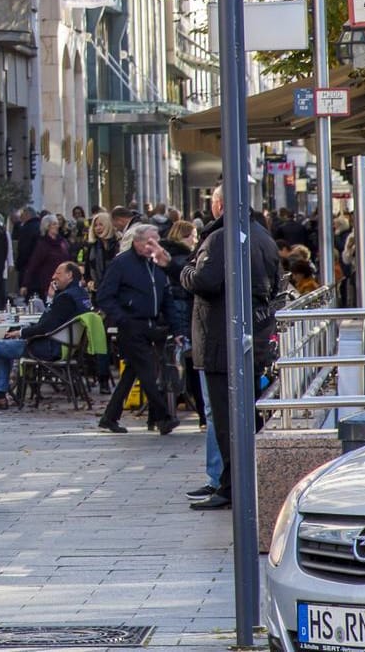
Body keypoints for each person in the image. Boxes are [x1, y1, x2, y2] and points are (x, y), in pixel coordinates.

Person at [179, 180, 280, 511]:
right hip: (253, 336)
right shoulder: (262, 236)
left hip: (223, 340)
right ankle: (238, 482)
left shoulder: (221, 237)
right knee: (244, 414)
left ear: (220, 205)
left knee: (226, 418)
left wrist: (186, 271)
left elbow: (206, 280)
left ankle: (230, 486)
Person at [93, 224, 180, 435]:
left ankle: (109, 417)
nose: (154, 247)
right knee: (148, 371)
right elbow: (105, 295)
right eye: (150, 242)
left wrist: (177, 327)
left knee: (133, 372)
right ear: (137, 242)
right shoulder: (122, 263)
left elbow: (167, 297)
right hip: (131, 325)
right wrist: (122, 318)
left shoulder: (156, 263)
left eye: (156, 242)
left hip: (152, 324)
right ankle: (163, 417)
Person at [0, 262, 91, 409]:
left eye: (58, 273)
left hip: (49, 348)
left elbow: (45, 326)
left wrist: (21, 333)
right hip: (66, 347)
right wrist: (51, 298)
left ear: (69, 275)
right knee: (3, 349)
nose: (53, 276)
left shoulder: (65, 298)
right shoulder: (81, 295)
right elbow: (55, 321)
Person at [19, 215, 72, 308]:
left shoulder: (63, 242)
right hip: (47, 284)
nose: (57, 226)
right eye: (54, 224)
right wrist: (25, 284)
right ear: (47, 226)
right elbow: (33, 265)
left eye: (57, 224)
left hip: (64, 282)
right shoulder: (42, 244)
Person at [78, 211, 118, 289]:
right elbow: (87, 270)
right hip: (97, 290)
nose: (97, 228)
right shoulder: (92, 246)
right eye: (95, 225)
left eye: (101, 225)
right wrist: (89, 281)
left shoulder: (117, 244)